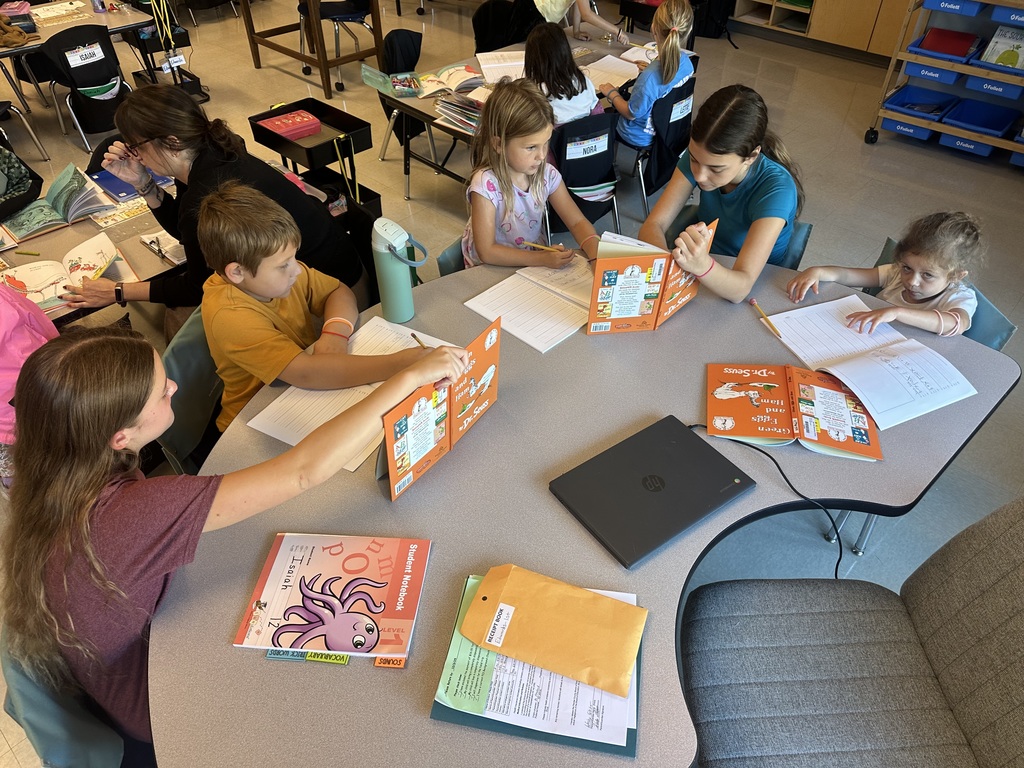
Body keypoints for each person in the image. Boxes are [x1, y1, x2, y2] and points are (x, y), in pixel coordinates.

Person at [0, 326, 466, 763]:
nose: (175, 388)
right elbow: (302, 470)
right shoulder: (132, 515)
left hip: (120, 667)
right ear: (120, 437)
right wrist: (409, 377)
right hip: (162, 711)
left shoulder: (54, 474)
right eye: (161, 390)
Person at [63, 84, 368, 339]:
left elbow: (197, 287)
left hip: (329, 297)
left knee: (181, 315)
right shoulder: (212, 151)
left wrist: (117, 291)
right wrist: (144, 183)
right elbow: (188, 232)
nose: (136, 156)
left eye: (136, 146)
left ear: (172, 141)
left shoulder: (206, 188)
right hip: (337, 270)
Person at [197, 181, 430, 432]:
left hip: (300, 390)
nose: (297, 269)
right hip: (254, 419)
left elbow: (337, 291)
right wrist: (402, 364)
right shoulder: (230, 316)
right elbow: (305, 373)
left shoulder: (275, 275)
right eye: (284, 264)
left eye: (294, 257)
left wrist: (335, 332)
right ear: (237, 272)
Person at [638, 83, 804, 303]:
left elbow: (740, 288)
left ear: (751, 156)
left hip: (756, 285)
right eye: (694, 160)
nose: (699, 176)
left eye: (716, 169)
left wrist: (701, 265)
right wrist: (664, 269)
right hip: (706, 267)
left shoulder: (777, 189)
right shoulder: (703, 155)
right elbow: (653, 225)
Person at [461, 78, 600, 269]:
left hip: (530, 263)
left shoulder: (547, 175)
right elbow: (487, 251)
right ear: (499, 144)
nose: (542, 156)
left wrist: (596, 254)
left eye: (546, 143)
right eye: (531, 147)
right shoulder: (485, 185)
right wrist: (541, 259)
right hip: (489, 268)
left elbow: (576, 222)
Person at [787, 212, 983, 336]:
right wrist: (818, 271)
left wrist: (896, 312)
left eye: (928, 275)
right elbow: (847, 276)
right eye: (907, 268)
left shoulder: (959, 296)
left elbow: (956, 324)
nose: (912, 281)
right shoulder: (897, 274)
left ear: (956, 275)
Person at [600, 0, 695, 150]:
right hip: (668, 129)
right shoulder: (687, 63)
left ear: (653, 27)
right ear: (687, 31)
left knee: (598, 114)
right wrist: (649, 71)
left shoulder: (650, 78)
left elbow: (631, 113)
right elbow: (665, 87)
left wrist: (612, 93)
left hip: (638, 135)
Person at [0, 285, 58, 489]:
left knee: (13, 467)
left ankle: (20, 492)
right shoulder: (3, 296)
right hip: (40, 388)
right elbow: (39, 322)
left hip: (5, 422)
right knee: (51, 441)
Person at [524, 22, 599, 126]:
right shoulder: (583, 81)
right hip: (586, 138)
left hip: (555, 141)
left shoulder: (537, 94)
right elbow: (597, 111)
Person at [507, 0, 630, 47]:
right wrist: (617, 31)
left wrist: (576, 31)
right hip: (532, 12)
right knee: (516, 48)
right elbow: (586, 14)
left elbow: (579, 3)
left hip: (540, 14)